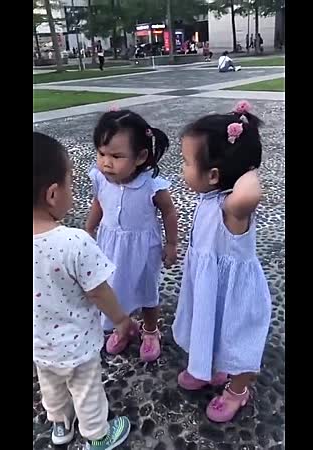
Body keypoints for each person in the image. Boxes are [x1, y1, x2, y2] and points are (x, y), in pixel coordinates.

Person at [33, 131, 139, 449]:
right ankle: (98, 435)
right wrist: (120, 319)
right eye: (70, 181)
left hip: (39, 344)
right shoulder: (74, 242)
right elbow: (98, 291)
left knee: (50, 384)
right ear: (53, 194)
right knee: (87, 389)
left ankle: (61, 426)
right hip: (77, 345)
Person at [172, 101, 271, 423]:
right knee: (208, 327)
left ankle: (238, 390)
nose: (182, 168)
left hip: (235, 295)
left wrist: (249, 168)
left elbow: (250, 193)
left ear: (213, 175)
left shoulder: (232, 209)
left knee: (236, 341)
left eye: (186, 162)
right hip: (210, 287)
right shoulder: (208, 198)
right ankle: (208, 368)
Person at [85, 107, 178, 362]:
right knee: (114, 288)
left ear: (140, 157)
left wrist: (171, 244)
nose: (106, 162)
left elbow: (169, 212)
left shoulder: (151, 184)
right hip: (110, 244)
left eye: (116, 156)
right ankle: (122, 325)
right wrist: (89, 228)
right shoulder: (101, 178)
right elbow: (98, 203)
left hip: (143, 248)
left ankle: (150, 329)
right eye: (101, 153)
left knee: (147, 290)